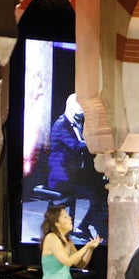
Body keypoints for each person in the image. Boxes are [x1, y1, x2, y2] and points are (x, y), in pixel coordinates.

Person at [47, 94, 106, 239]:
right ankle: (86, 226)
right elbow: (75, 145)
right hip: (61, 177)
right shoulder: (61, 125)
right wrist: (97, 144)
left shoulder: (72, 123)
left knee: (100, 190)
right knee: (98, 194)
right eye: (79, 113)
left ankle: (86, 226)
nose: (81, 116)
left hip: (72, 173)